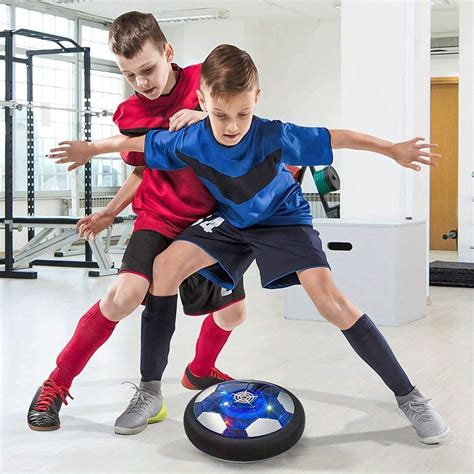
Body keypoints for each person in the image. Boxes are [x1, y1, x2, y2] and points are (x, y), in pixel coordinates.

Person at [113, 43, 449, 445]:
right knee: (164, 268)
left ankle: (411, 399)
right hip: (234, 221)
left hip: (283, 220)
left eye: (242, 113)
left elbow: (337, 137)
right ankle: (150, 391)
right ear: (203, 102)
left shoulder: (275, 133)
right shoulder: (194, 136)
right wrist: (90, 149)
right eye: (221, 115)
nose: (232, 125)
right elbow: (137, 145)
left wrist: (391, 149)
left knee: (329, 300)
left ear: (257, 98)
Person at [27, 13, 246, 436]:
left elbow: (242, 115)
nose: (141, 83)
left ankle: (199, 372)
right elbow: (142, 170)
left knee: (234, 313)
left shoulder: (205, 80)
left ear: (168, 53)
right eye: (130, 75)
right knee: (124, 295)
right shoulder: (129, 113)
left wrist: (206, 116)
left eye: (147, 70)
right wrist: (110, 211)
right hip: (159, 216)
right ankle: (56, 383)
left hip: (208, 221)